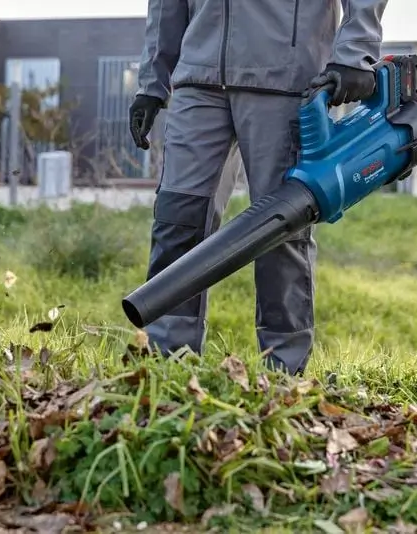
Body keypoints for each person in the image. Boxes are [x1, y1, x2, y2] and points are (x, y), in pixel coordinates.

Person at [129, 0, 389, 376]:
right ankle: (169, 366)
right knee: (177, 217)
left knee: (280, 227)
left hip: (284, 75)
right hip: (198, 76)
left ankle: (284, 372)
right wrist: (152, 82)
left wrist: (356, 53)